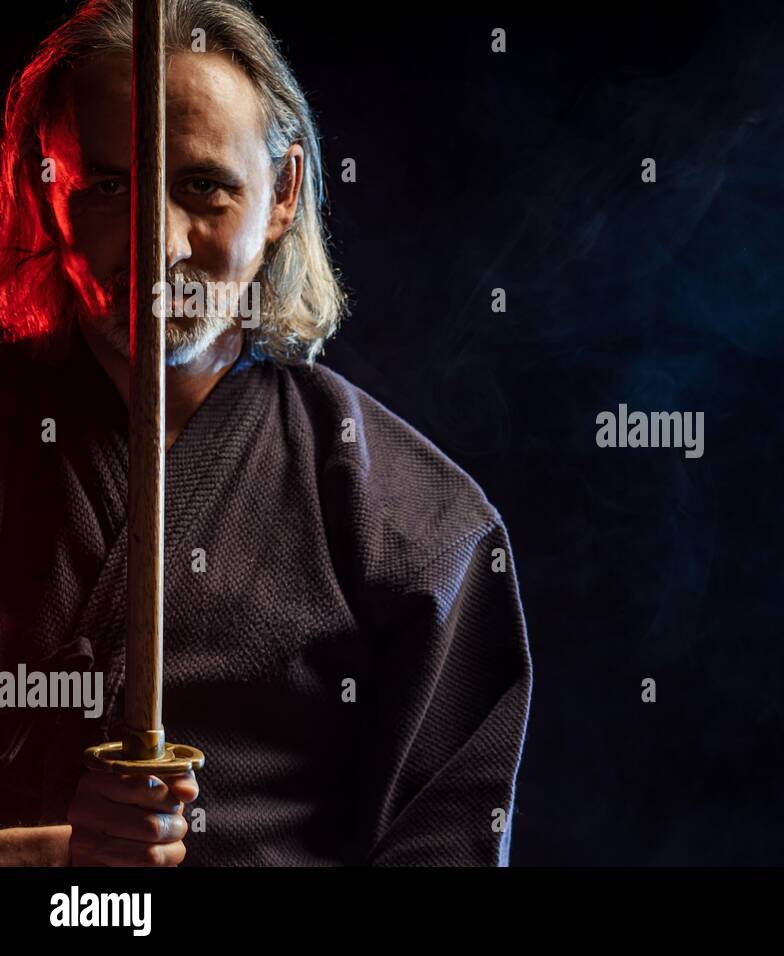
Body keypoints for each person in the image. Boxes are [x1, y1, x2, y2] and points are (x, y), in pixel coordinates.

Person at [0, 0, 533, 866]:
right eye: (107, 186)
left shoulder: (415, 526)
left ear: (282, 194)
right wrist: (43, 864)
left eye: (203, 186)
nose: (156, 244)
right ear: (40, 189)